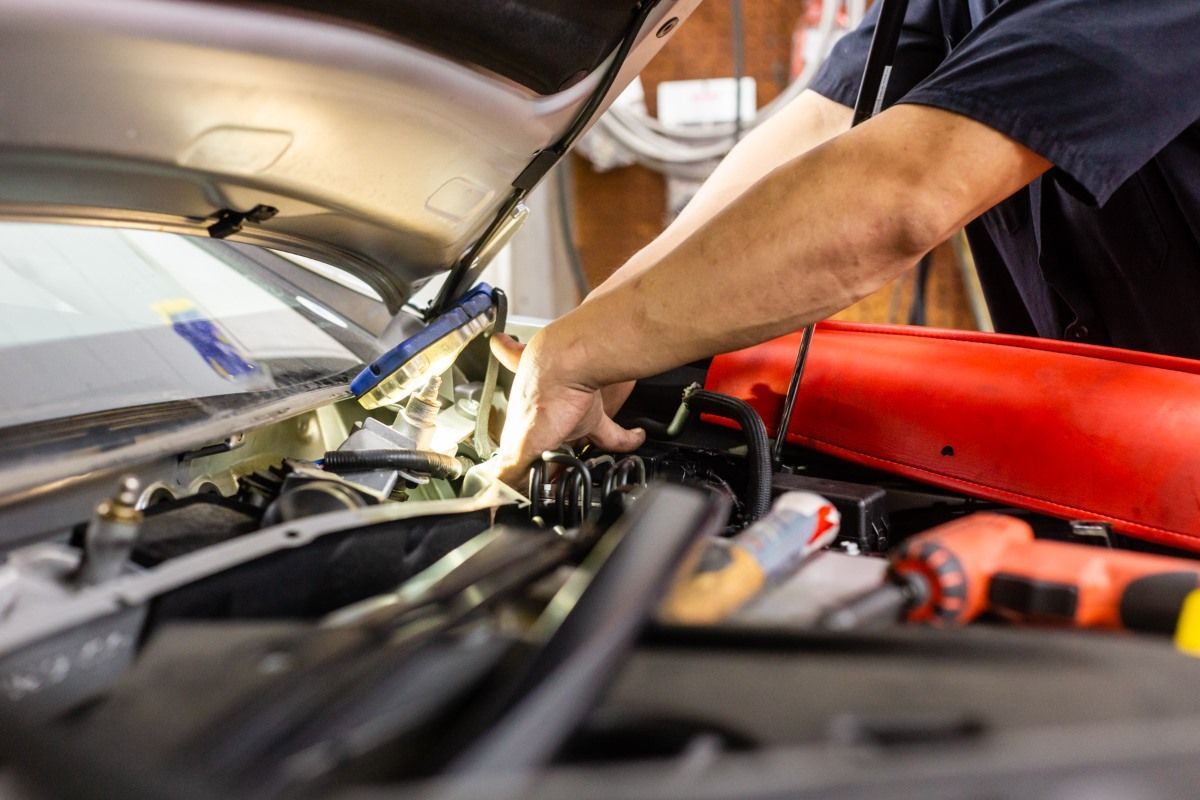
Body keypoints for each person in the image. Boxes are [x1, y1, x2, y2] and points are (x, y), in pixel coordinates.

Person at [491, 0, 1200, 483]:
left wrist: (584, 352)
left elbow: (903, 193)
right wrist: (595, 332)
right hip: (1136, 439)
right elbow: (829, 126)